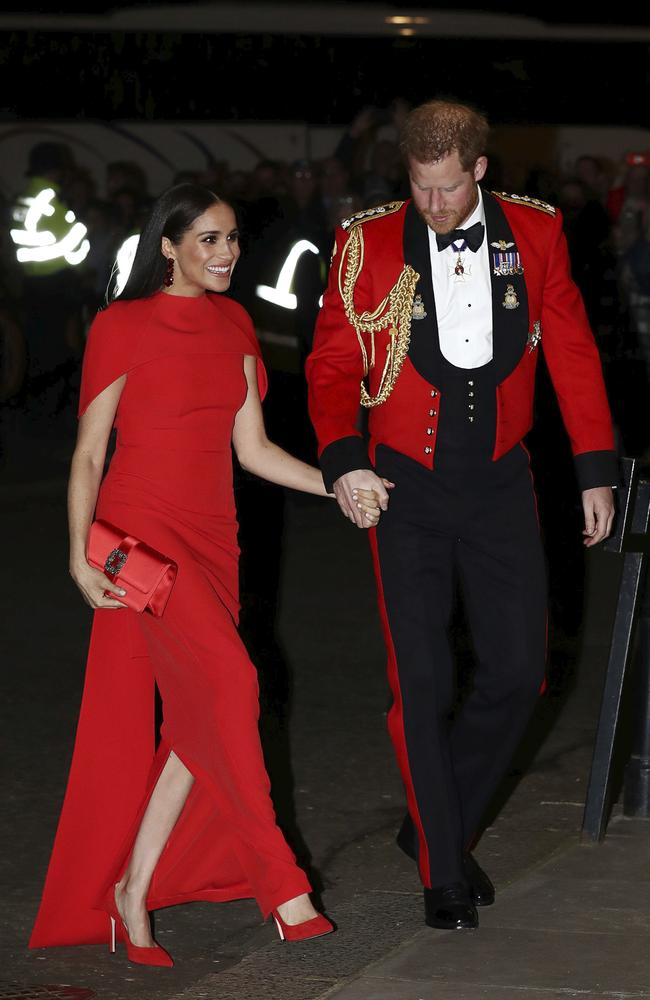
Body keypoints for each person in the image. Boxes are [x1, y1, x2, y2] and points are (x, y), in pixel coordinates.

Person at [29, 184, 383, 966]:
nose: (226, 254)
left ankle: (133, 891)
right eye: (210, 240)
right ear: (169, 246)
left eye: (231, 240)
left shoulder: (234, 322)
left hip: (216, 539)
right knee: (232, 683)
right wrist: (78, 549)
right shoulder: (122, 326)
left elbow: (251, 450)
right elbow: (89, 452)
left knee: (201, 720)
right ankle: (281, 884)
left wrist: (340, 482)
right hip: (143, 539)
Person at [306, 100, 617, 931]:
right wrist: (343, 459)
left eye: (448, 189)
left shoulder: (537, 233)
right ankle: (443, 866)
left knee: (521, 673)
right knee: (423, 678)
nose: (434, 206)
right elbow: (333, 364)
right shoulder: (365, 241)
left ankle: (430, 825)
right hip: (401, 487)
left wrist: (594, 470)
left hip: (501, 483)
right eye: (420, 187)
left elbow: (574, 350)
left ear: (479, 170)